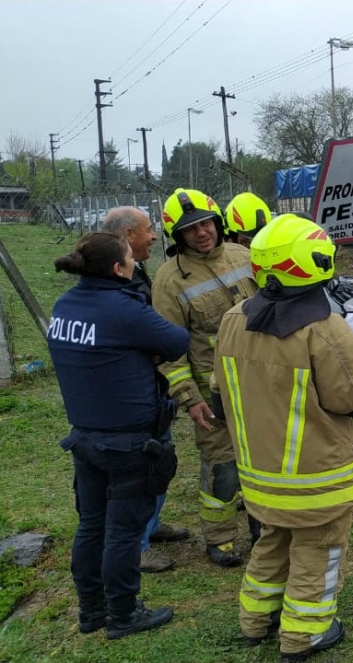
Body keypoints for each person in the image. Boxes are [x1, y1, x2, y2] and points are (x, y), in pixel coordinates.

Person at [213, 214, 353, 661]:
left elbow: (221, 389)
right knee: (317, 554)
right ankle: (305, 636)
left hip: (261, 476)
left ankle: (254, 621)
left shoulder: (231, 320)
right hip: (316, 479)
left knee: (272, 543)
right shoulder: (325, 329)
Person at [47, 231, 189, 639]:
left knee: (91, 526)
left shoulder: (65, 304)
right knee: (123, 533)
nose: (134, 260)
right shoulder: (122, 308)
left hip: (85, 437)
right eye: (130, 255)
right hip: (128, 441)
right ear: (118, 267)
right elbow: (176, 342)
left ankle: (91, 611)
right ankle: (124, 614)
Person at [152, 188, 258, 567]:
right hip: (214, 395)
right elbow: (168, 351)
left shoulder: (246, 257)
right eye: (191, 229)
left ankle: (264, 530)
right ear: (177, 236)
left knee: (264, 462)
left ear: (218, 221)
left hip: (262, 384)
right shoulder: (169, 282)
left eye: (205, 223)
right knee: (223, 469)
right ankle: (220, 539)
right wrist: (190, 398)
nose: (201, 233)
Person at [102, 207, 190, 574]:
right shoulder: (119, 286)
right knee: (142, 469)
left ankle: (149, 528)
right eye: (149, 229)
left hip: (147, 388)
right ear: (126, 236)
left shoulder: (131, 273)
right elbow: (165, 338)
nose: (155, 236)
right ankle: (136, 546)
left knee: (158, 464)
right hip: (136, 395)